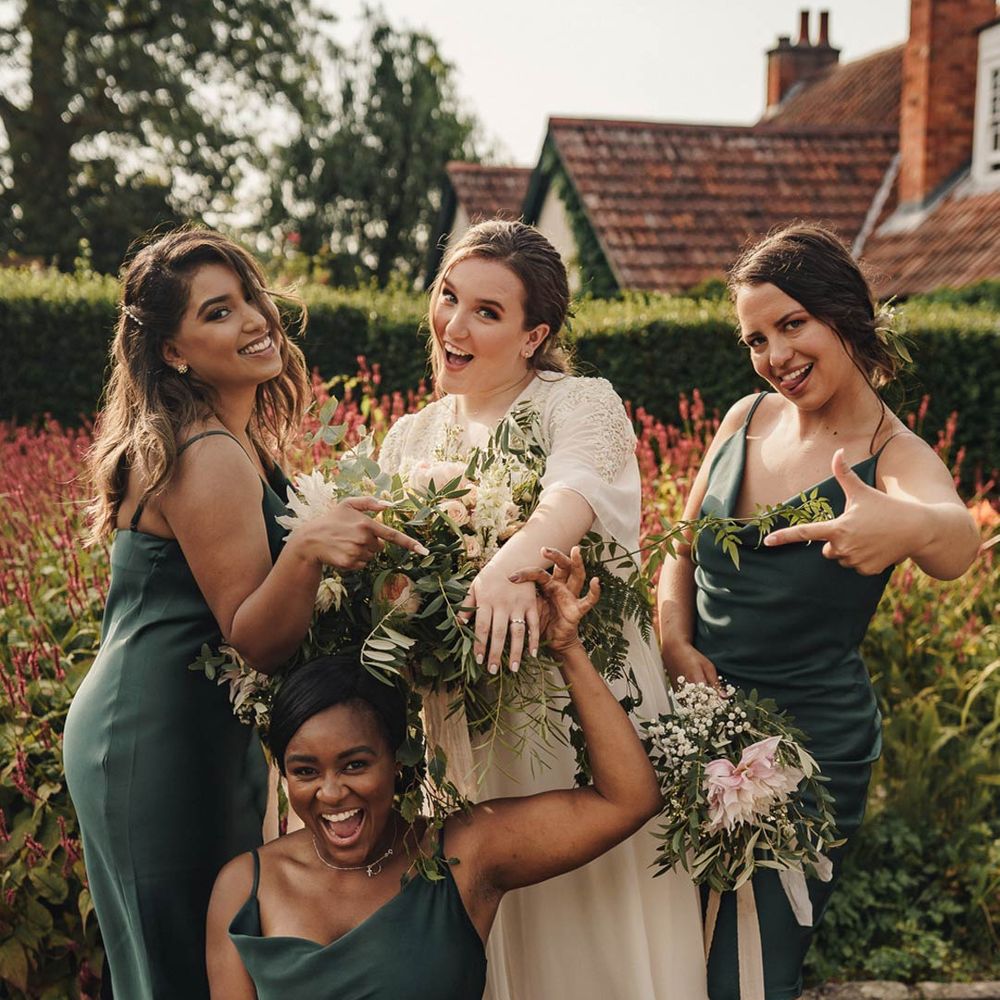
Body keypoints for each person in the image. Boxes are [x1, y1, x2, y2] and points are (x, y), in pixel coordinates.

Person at [63, 228, 425, 1000]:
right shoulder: (207, 454)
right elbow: (255, 637)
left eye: (249, 297)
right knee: (181, 974)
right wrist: (310, 551)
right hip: (158, 737)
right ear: (173, 352)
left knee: (203, 964)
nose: (256, 320)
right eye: (219, 313)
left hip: (189, 724)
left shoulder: (232, 439)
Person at [378, 219, 707, 1000]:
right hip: (466, 731)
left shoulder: (579, 403)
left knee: (588, 928)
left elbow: (576, 493)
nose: (453, 325)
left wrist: (507, 564)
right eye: (449, 297)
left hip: (571, 721)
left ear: (535, 336)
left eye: (487, 312)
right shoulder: (407, 437)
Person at [657, 223, 980, 1000]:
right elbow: (678, 548)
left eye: (792, 324)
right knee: (668, 959)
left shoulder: (894, 455)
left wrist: (904, 525)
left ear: (843, 313)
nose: (774, 356)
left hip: (808, 755)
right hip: (690, 727)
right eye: (755, 338)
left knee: (749, 975)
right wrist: (672, 636)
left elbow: (955, 537)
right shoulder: (742, 420)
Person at [206, 546, 664, 1000]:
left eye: (355, 765)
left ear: (400, 758)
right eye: (305, 771)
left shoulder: (463, 854)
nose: (330, 792)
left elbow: (627, 800)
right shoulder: (246, 886)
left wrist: (567, 648)